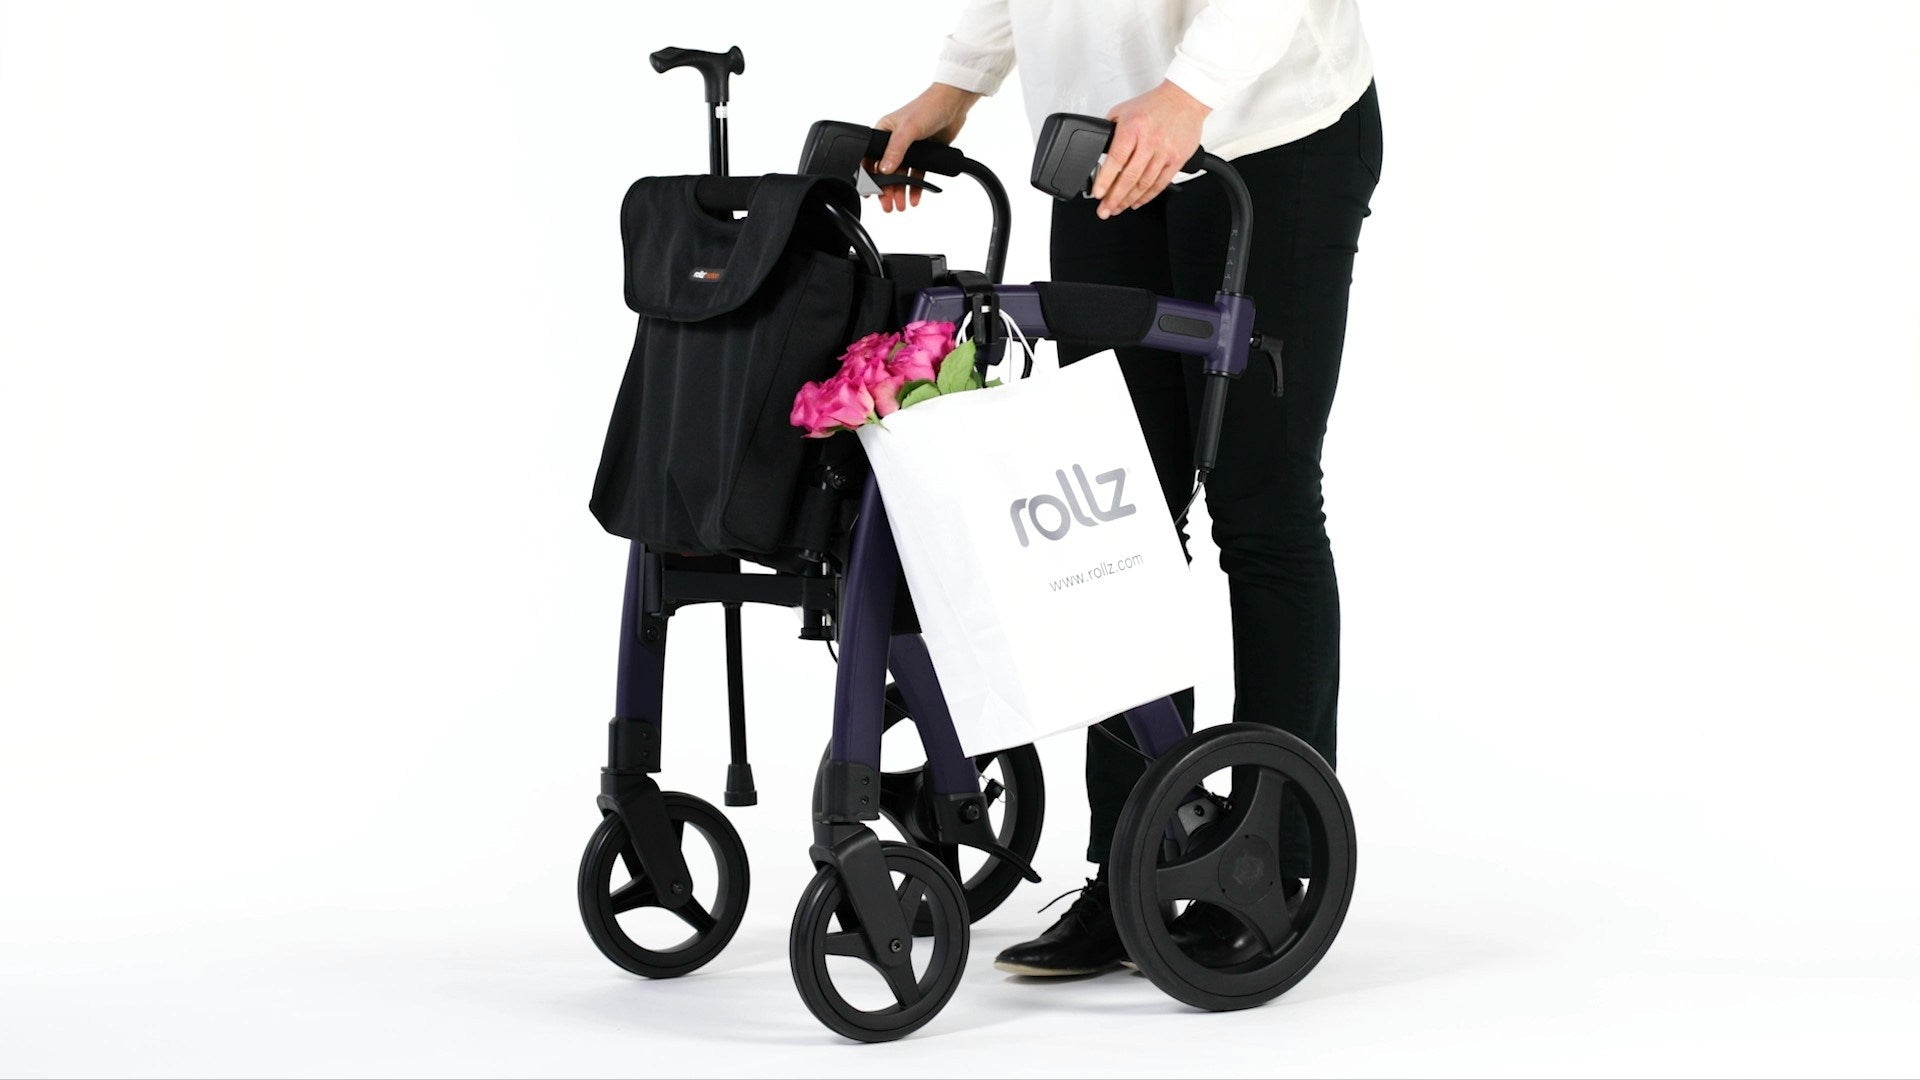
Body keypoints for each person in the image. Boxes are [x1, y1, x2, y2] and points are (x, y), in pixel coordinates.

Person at [874, 0, 1382, 976]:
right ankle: (1134, 865)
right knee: (1114, 510)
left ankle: (1271, 865)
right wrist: (958, 81)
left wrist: (1191, 92)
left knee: (1261, 505)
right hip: (1105, 147)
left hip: (1269, 137)